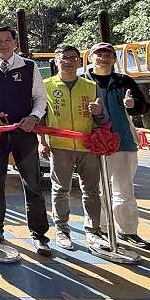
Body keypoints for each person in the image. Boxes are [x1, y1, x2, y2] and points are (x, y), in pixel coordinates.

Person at [0, 26, 52, 256]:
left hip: (24, 132)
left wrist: (34, 117)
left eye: (8, 40)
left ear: (15, 43)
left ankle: (39, 234)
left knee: (32, 182)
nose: (3, 44)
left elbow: (40, 97)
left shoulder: (29, 66)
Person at [40, 45, 110, 251]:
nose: (69, 61)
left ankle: (93, 231)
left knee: (91, 190)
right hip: (60, 146)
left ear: (79, 62)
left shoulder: (90, 86)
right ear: (56, 60)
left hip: (88, 146)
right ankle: (62, 230)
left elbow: (104, 119)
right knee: (60, 189)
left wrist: (98, 112)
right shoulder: (46, 85)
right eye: (64, 58)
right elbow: (42, 117)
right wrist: (42, 142)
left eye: (73, 58)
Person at [84, 42, 150, 249]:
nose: (103, 58)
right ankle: (100, 228)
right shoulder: (83, 82)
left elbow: (143, 106)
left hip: (123, 141)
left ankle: (128, 230)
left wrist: (133, 106)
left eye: (108, 55)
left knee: (125, 189)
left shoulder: (124, 81)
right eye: (99, 54)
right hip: (95, 143)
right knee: (97, 189)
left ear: (114, 59)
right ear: (90, 58)